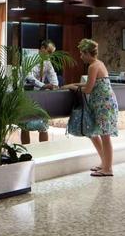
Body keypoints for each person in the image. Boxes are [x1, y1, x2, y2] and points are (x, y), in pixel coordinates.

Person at [65, 38, 119, 177]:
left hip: (104, 105)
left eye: (82, 54)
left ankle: (108, 169)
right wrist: (75, 85)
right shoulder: (98, 64)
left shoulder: (93, 66)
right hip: (102, 104)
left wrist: (74, 88)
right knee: (96, 135)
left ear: (89, 53)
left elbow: (88, 89)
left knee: (105, 136)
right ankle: (104, 164)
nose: (81, 57)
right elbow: (91, 84)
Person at [20, 39, 59, 144]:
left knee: (43, 125)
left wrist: (55, 85)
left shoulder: (47, 62)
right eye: (49, 52)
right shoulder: (29, 58)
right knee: (25, 125)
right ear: (42, 48)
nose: (50, 55)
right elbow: (29, 77)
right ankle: (26, 152)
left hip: (41, 96)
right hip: (28, 94)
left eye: (52, 53)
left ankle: (44, 150)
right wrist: (44, 85)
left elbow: (52, 74)